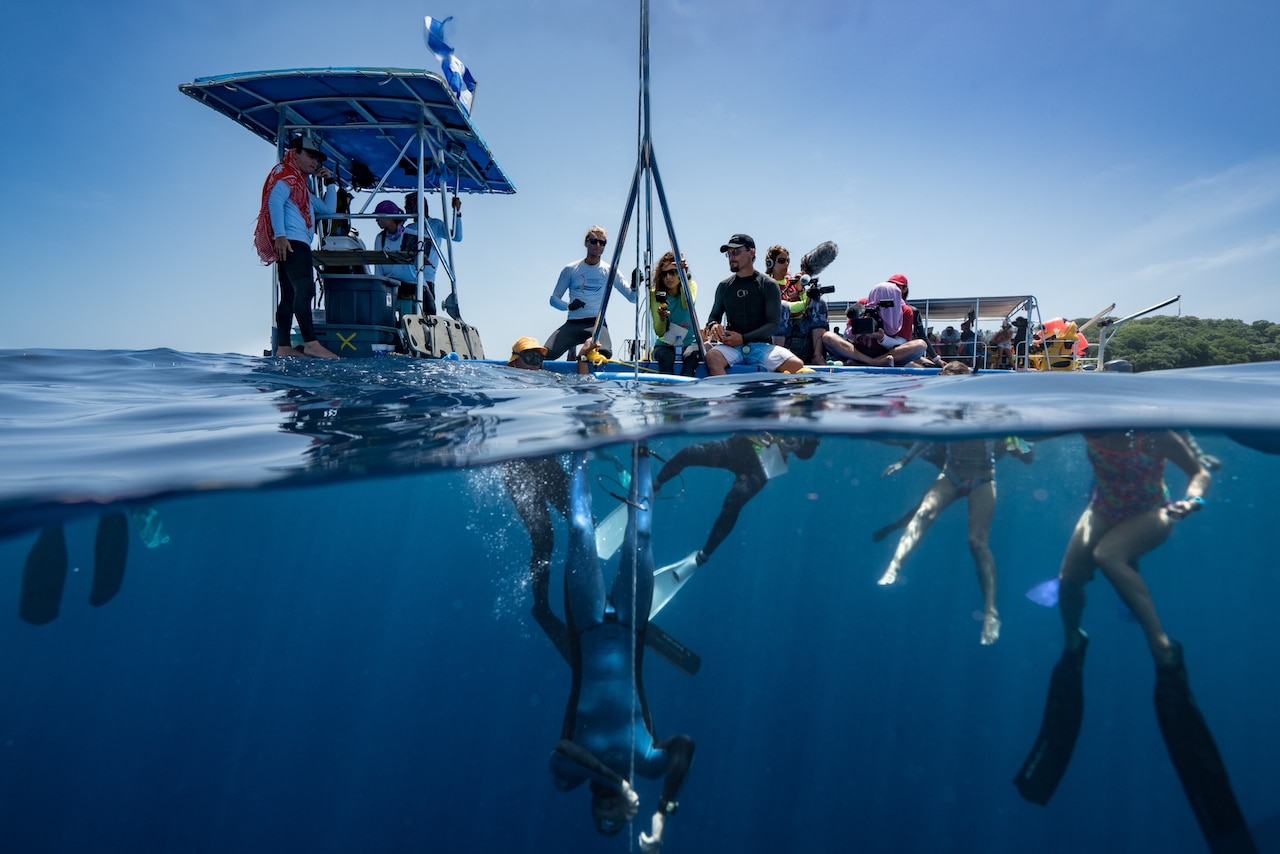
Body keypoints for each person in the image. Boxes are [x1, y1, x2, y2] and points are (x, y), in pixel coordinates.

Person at [1015, 429, 1255, 852]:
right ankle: (1075, 639)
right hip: (1104, 509)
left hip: (1151, 514)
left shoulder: (1157, 436)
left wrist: (1193, 501)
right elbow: (1040, 429)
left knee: (1109, 556)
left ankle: (1162, 646)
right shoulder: (1092, 423)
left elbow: (1199, 472)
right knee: (1070, 580)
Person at [546, 448, 695, 851]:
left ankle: (579, 447)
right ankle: (641, 443)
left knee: (580, 529)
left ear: (593, 810)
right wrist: (663, 809)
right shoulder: (645, 763)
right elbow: (683, 745)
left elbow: (563, 750)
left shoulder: (568, 776)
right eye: (617, 821)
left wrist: (616, 784)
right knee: (641, 530)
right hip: (630, 623)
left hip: (586, 623)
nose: (611, 814)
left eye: (603, 819)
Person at [875, 396, 1035, 645]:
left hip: (983, 479)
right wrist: (902, 462)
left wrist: (1023, 449)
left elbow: (1025, 452)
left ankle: (991, 612)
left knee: (977, 542)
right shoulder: (942, 412)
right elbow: (925, 438)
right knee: (922, 513)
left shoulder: (992, 415)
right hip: (951, 475)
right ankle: (894, 567)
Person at [653, 434, 819, 567]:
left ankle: (705, 553)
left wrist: (798, 446)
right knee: (689, 454)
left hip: (767, 461)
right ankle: (655, 485)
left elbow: (806, 453)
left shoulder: (808, 406)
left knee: (734, 500)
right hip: (740, 444)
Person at [253, 131, 339, 358]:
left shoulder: (301, 186)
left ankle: (283, 348)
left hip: (294, 242)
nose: (315, 162)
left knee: (290, 296)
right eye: (310, 156)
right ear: (295, 153)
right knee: (305, 290)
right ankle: (311, 343)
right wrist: (279, 236)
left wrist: (330, 182)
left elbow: (328, 209)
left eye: (317, 158)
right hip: (292, 242)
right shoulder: (286, 176)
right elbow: (274, 201)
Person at [702, 234, 804, 375]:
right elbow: (713, 317)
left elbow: (773, 324)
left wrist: (743, 338)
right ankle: (726, 397)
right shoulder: (724, 286)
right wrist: (713, 325)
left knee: (796, 365)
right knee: (712, 357)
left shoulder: (768, 284)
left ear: (751, 252)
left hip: (760, 346)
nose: (732, 257)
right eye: (729, 253)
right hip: (731, 347)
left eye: (736, 252)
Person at [545, 226, 637, 361]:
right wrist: (569, 306)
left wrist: (635, 286)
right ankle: (574, 351)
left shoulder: (610, 271)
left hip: (596, 325)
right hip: (572, 323)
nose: (597, 245)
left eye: (602, 242)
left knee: (604, 353)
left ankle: (578, 356)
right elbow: (553, 300)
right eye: (593, 241)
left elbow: (632, 298)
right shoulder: (571, 269)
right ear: (586, 243)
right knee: (545, 355)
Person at [821, 281, 928, 367]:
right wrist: (859, 330)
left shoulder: (905, 311)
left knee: (920, 345)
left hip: (889, 353)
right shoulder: (863, 304)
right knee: (827, 337)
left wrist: (882, 338)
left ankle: (864, 363)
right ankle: (873, 362)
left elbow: (901, 342)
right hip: (858, 351)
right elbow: (846, 334)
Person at [767, 245, 831, 365]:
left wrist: (800, 289)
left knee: (819, 302)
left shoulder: (794, 282)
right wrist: (804, 304)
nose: (786, 264)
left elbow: (807, 302)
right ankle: (780, 358)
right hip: (780, 327)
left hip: (800, 325)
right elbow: (785, 307)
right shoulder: (767, 284)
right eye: (781, 261)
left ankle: (817, 356)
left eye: (787, 260)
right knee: (782, 306)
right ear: (770, 264)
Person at [402, 191, 463, 316]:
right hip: (408, 277)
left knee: (428, 316)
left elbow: (457, 236)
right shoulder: (408, 227)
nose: (405, 208)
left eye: (408, 205)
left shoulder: (435, 224)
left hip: (427, 279)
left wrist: (457, 213)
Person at [370, 200, 429, 312]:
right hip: (391, 284)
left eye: (379, 216)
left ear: (389, 217)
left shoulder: (411, 235)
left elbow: (427, 246)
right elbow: (378, 267)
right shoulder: (380, 239)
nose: (376, 220)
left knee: (430, 309)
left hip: (413, 283)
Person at [649, 252, 701, 376]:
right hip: (665, 344)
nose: (668, 277)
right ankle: (667, 394)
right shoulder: (655, 294)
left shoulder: (690, 285)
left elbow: (686, 304)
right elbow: (659, 332)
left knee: (691, 359)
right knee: (666, 358)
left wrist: (684, 276)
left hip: (690, 343)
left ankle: (685, 394)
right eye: (664, 273)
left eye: (673, 272)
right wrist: (662, 318)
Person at [890, 274, 944, 367]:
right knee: (920, 366)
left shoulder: (912, 311)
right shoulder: (879, 307)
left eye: (897, 286)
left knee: (933, 367)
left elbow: (921, 335)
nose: (893, 289)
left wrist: (936, 359)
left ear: (905, 289)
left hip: (902, 350)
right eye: (891, 286)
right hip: (885, 350)